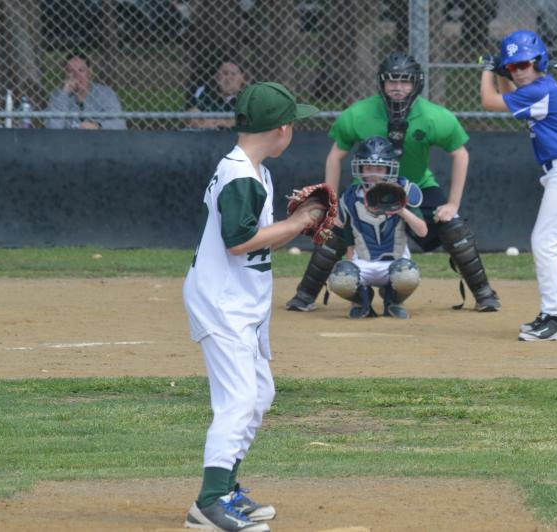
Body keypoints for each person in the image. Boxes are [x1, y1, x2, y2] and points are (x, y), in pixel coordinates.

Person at [182, 81, 320, 531]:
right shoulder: (242, 176)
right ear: (281, 130)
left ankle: (226, 488)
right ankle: (209, 504)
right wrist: (297, 222)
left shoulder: (254, 171)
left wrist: (289, 228)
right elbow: (239, 242)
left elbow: (253, 241)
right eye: (293, 122)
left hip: (240, 299)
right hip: (222, 301)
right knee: (239, 399)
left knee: (259, 395)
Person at [286, 51, 501, 313]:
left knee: (454, 227)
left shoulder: (434, 116)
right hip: (367, 187)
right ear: (381, 83)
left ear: (417, 83)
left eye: (405, 81)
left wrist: (452, 204)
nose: (398, 87)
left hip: (417, 186)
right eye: (391, 81)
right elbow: (335, 156)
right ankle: (305, 295)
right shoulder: (359, 113)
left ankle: (484, 293)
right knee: (334, 227)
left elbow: (460, 153)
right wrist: (330, 204)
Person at [479, 29, 557, 341]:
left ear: (539, 61)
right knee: (544, 243)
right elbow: (506, 97)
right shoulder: (538, 88)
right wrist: (503, 71)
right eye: (513, 66)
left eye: (523, 65)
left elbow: (490, 101)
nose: (518, 71)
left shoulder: (540, 90)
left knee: (545, 244)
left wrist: (488, 70)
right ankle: (550, 314)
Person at [327, 136, 428, 319]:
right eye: (368, 168)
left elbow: (422, 231)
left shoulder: (403, 191)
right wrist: (351, 280)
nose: (374, 174)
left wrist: (401, 210)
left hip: (394, 263)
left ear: (390, 169)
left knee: (408, 276)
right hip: (363, 262)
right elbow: (350, 240)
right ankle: (362, 300)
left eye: (379, 168)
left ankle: (393, 300)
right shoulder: (350, 197)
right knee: (340, 279)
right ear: (360, 168)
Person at [45, 53, 126, 130]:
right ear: (65, 75)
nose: (76, 75)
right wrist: (64, 94)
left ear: (89, 73)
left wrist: (98, 126)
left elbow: (120, 123)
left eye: (81, 70)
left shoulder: (105, 93)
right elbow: (52, 127)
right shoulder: (57, 95)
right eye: (70, 71)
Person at [187, 60, 247, 130]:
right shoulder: (204, 92)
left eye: (233, 74)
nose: (229, 77)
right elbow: (191, 114)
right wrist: (204, 124)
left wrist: (227, 123)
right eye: (225, 73)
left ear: (242, 78)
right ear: (217, 77)